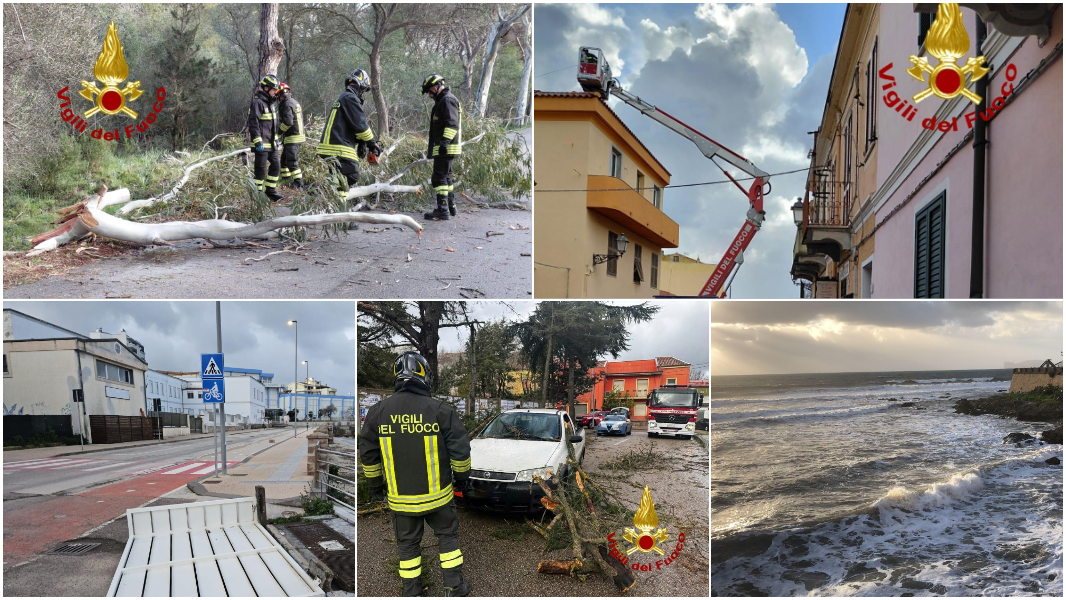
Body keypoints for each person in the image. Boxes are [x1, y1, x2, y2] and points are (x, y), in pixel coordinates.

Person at [359, 351, 473, 597]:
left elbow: (368, 456)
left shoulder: (378, 412)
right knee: (448, 540)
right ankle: (454, 588)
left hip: (401, 502)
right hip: (440, 499)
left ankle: (412, 592)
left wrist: (376, 487)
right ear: (425, 376)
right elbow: (461, 453)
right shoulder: (441, 410)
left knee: (408, 548)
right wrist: (462, 480)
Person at [317, 69, 382, 206]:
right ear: (361, 86)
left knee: (340, 181)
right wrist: (372, 144)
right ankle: (332, 206)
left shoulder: (343, 97)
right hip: (338, 147)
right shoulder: (350, 98)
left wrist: (361, 143)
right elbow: (361, 125)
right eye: (364, 90)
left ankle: (337, 212)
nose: (362, 93)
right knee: (351, 176)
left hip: (331, 146)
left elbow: (349, 125)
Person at [420, 74, 462, 220]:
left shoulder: (447, 100)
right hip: (445, 147)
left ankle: (442, 210)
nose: (429, 95)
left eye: (430, 92)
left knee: (438, 178)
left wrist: (444, 142)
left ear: (436, 87)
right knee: (446, 177)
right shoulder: (443, 100)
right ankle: (451, 207)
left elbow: (452, 124)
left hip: (446, 147)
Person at [248, 74, 284, 201]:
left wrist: (276, 140)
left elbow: (272, 125)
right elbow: (253, 123)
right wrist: (257, 141)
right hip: (262, 144)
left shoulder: (271, 104)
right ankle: (257, 195)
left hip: (271, 144)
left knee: (276, 166)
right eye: (274, 89)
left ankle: (271, 192)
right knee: (260, 170)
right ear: (266, 88)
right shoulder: (258, 103)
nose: (276, 92)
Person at [277, 82, 306, 189]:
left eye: (278, 95)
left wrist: (278, 134)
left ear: (280, 94)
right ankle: (286, 180)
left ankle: (299, 184)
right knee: (284, 160)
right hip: (294, 137)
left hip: (294, 137)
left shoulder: (286, 104)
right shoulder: (293, 102)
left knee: (291, 161)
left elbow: (288, 122)